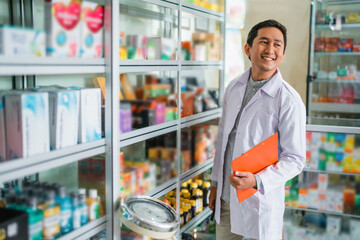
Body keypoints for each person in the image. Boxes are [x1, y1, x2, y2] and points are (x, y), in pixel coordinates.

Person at [208, 19, 306, 240]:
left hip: (259, 201)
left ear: (282, 53)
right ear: (248, 48)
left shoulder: (288, 100)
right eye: (264, 42)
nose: (270, 49)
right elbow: (224, 140)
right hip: (226, 198)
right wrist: (215, 184)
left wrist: (256, 181)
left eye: (277, 44)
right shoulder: (233, 87)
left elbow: (295, 159)